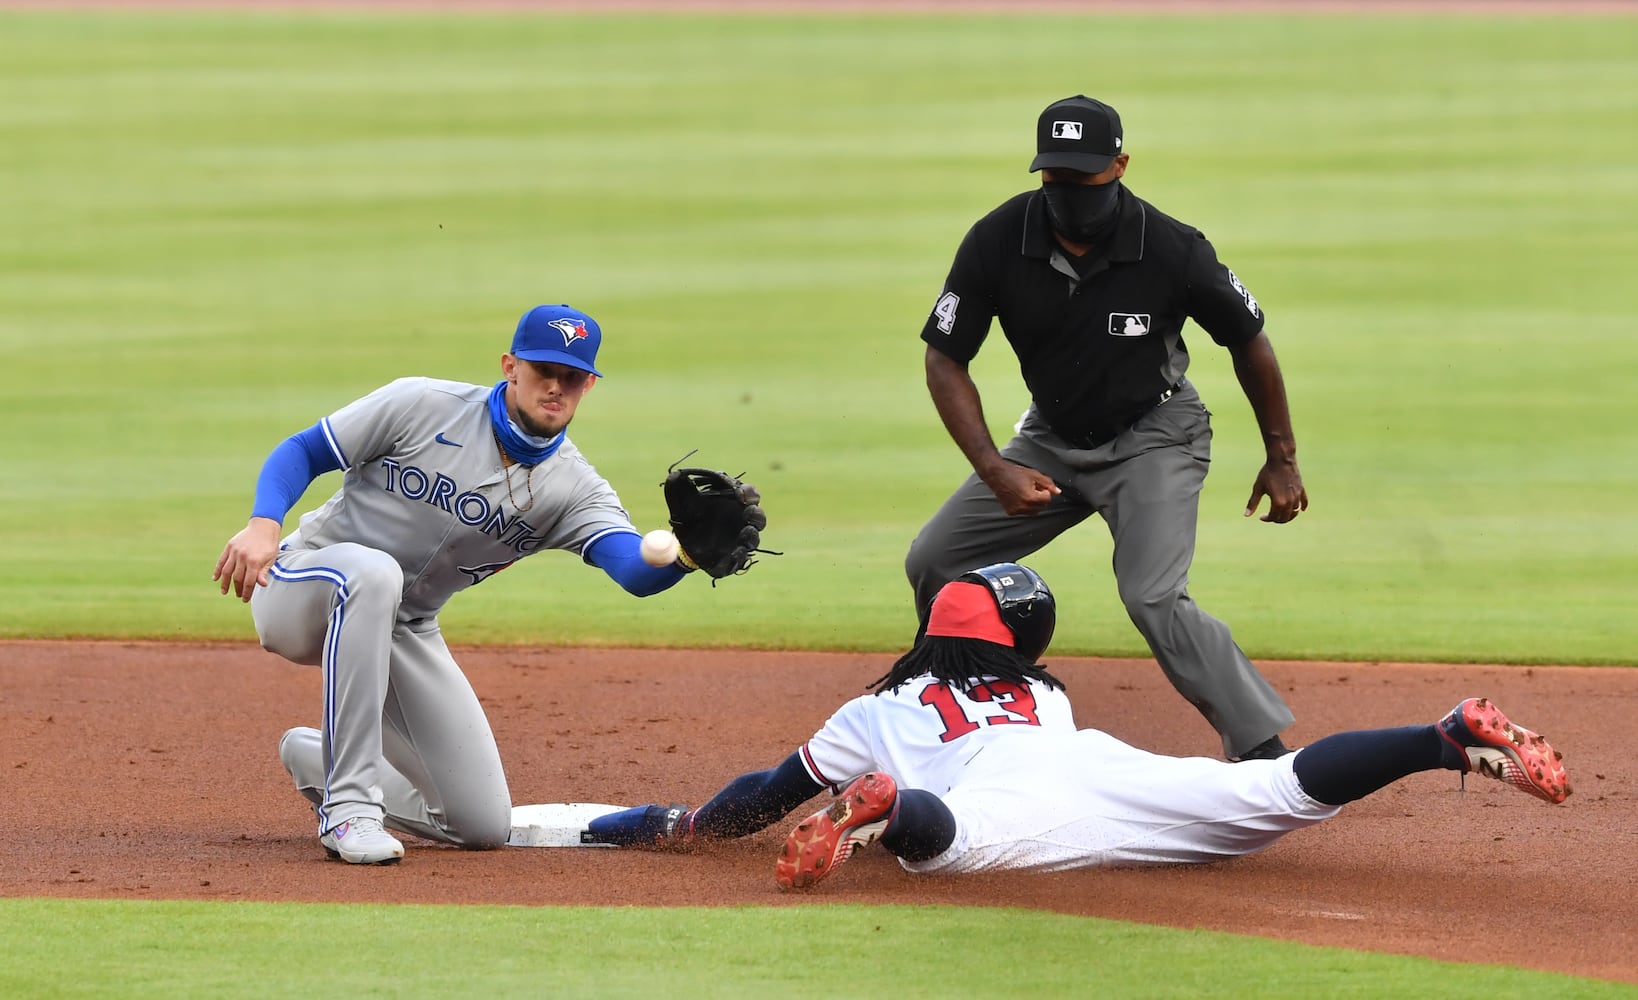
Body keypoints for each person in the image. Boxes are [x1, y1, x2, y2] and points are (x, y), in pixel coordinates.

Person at [587, 563, 1570, 891]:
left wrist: (685, 826)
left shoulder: (873, 709)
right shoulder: (1044, 692)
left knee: (950, 847)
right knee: (1272, 794)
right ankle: (1440, 736)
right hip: (1095, 761)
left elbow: (765, 794)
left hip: (1001, 794)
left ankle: (886, 807)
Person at [213, 304, 712, 865]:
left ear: (589, 384)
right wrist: (263, 526)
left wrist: (687, 559)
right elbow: (304, 451)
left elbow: (630, 568)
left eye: (570, 376)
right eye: (542, 369)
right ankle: (349, 809)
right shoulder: (423, 405)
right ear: (509, 367)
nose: (555, 386)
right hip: (304, 584)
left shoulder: (572, 488)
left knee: (479, 823)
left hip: (404, 625)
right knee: (374, 572)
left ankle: (318, 759)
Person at [905, 95, 1308, 761]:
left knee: (1153, 597)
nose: (1068, 191)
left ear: (1119, 165)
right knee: (936, 559)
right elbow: (945, 359)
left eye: (1084, 176)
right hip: (1050, 439)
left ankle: (1262, 751)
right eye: (1055, 176)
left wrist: (1281, 456)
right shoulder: (997, 239)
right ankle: (949, 706)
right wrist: (994, 468)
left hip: (1155, 434)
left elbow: (1249, 342)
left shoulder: (1172, 248)